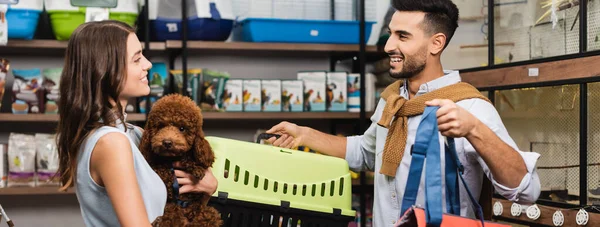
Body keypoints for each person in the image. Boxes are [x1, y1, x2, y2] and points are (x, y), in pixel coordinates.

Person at [266, 0, 541, 226]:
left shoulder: (470, 107)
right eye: (391, 33)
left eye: (403, 36)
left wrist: (474, 130)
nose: (388, 46)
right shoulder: (394, 101)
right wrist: (304, 134)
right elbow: (365, 151)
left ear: (436, 43)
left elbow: (526, 192)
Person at [55, 20, 218, 227]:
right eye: (136, 59)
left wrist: (206, 190)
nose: (148, 64)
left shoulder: (135, 134)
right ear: (105, 70)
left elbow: (172, 208)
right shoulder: (111, 142)